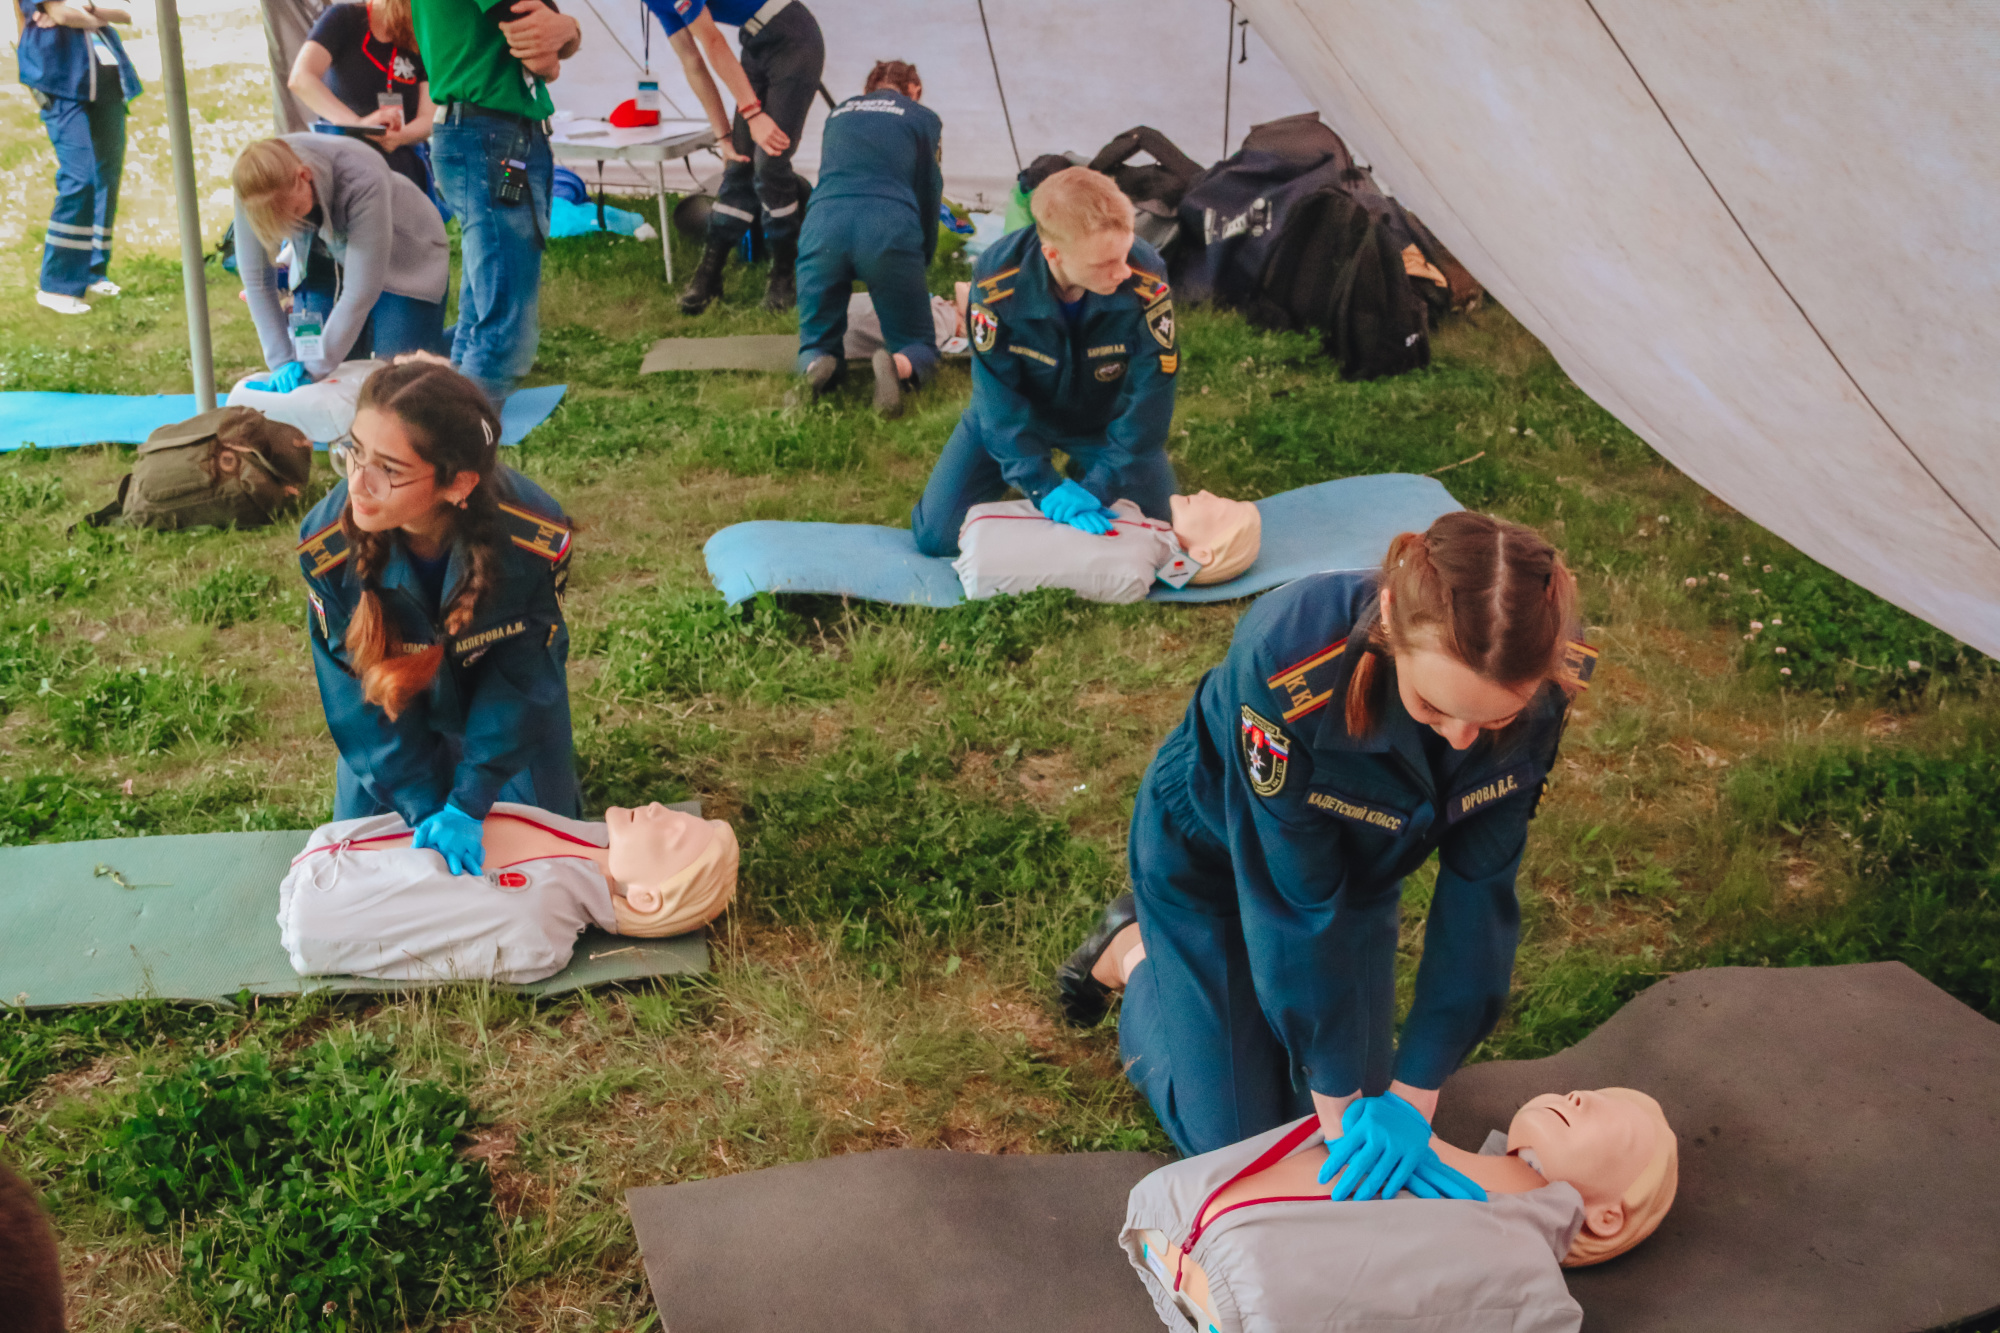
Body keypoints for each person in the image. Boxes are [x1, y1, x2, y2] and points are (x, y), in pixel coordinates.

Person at [1054, 511, 1594, 1188]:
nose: (1461, 738)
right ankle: (1133, 954)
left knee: (1338, 1112)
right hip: (1213, 861)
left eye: (1492, 720)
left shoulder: (1543, 668)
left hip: (1361, 873)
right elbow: (1297, 902)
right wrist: (1339, 1115)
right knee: (1243, 1144)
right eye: (1432, 707)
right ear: (1392, 621)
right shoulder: (1287, 658)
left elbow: (1480, 892)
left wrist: (1415, 1094)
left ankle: (1220, 1005)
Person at [296, 360, 581, 880]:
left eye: (390, 469)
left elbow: (523, 680)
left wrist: (470, 801)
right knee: (353, 871)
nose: (359, 484)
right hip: (395, 707)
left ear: (458, 483)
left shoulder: (531, 540)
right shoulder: (327, 548)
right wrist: (419, 801)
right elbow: (353, 694)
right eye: (354, 451)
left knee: (548, 868)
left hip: (499, 703)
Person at [1125, 1087, 1677, 1333]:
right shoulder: (1403, 1131)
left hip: (1234, 1276)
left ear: (1608, 1217)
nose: (1579, 1096)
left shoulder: (1536, 1290)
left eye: (1615, 1116)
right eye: (1580, 1089)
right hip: (1177, 1211)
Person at [909, 167, 1179, 559]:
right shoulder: (997, 281)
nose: (1122, 272)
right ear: (1053, 254)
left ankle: (1081, 476)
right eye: (1104, 263)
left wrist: (1101, 482)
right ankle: (1057, 493)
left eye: (1124, 252)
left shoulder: (1143, 275)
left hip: (1102, 420)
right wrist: (1040, 486)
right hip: (1022, 416)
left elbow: (1153, 392)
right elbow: (995, 395)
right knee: (937, 537)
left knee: (1165, 531)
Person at [280, 800, 738, 982]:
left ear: (645, 899)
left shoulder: (538, 928)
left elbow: (423, 925)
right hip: (333, 854)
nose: (659, 807)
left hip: (324, 898)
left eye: (672, 832)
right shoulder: (582, 839)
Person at [411, 0, 582, 407]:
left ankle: (449, 434)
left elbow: (553, 39)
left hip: (487, 133)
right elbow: (543, 53)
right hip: (490, 134)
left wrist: (566, 30)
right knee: (504, 325)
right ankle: (460, 448)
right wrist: (568, 30)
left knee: (483, 312)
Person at [232, 135, 449, 392]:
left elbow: (360, 292)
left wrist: (314, 368)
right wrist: (281, 361)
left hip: (406, 257)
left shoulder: (362, 177)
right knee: (318, 372)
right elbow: (257, 282)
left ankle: (465, 353)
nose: (289, 226)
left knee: (399, 380)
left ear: (304, 176)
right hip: (322, 258)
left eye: (293, 212)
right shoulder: (253, 188)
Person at [652, 0, 825, 315]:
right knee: (739, 164)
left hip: (795, 39)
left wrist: (752, 112)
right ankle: (710, 274)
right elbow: (692, 61)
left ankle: (784, 275)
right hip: (756, 43)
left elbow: (713, 41)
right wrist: (723, 136)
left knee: (770, 163)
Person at [794, 59, 942, 418]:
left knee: (815, 338)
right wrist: (921, 256)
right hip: (887, 226)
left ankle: (817, 366)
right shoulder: (922, 117)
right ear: (915, 90)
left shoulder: (839, 113)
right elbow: (929, 189)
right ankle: (899, 365)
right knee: (916, 342)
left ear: (867, 89)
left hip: (822, 222)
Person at [17, 0, 141, 316]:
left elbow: (125, 12)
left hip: (108, 80)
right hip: (60, 79)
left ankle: (93, 270)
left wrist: (81, 9)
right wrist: (91, 13)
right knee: (80, 176)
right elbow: (60, 13)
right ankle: (57, 285)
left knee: (107, 176)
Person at [288, 0, 438, 197]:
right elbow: (301, 79)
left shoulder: (421, 32)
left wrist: (401, 136)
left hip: (401, 163)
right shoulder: (343, 18)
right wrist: (358, 124)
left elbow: (428, 117)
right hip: (345, 158)